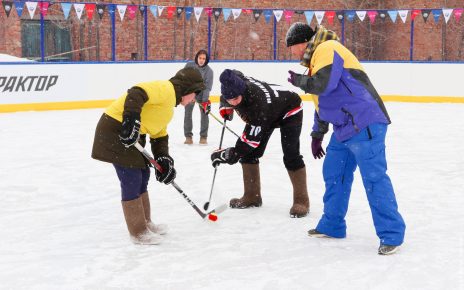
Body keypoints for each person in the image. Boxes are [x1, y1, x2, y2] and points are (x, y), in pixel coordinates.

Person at [286, 22, 406, 255]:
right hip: (344, 128)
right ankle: (333, 225)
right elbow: (322, 101)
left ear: (301, 43)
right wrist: (317, 133)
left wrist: (298, 81)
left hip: (365, 122)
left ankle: (392, 234)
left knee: (374, 179)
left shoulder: (327, 47)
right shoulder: (316, 61)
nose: (291, 53)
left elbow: (324, 85)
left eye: (291, 47)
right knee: (334, 173)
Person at [91, 67, 205, 245]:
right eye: (194, 94)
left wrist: (163, 159)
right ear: (187, 90)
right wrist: (131, 119)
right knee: (131, 177)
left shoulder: (168, 108)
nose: (194, 99)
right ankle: (138, 232)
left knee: (143, 174)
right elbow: (137, 93)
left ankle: (146, 222)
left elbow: (159, 134)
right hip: (116, 129)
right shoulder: (166, 89)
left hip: (133, 134)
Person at [210, 69, 310, 218]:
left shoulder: (256, 105)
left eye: (236, 98)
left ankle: (302, 201)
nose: (233, 102)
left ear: (242, 90)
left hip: (290, 108)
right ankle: (252, 196)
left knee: (291, 155)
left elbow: (248, 144)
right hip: (269, 111)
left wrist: (226, 155)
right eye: (229, 99)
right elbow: (233, 76)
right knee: (251, 155)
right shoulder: (236, 82)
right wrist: (224, 105)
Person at [183, 49, 214, 145]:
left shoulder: (209, 71)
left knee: (205, 115)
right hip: (189, 93)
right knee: (188, 115)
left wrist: (204, 102)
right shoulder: (189, 66)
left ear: (206, 60)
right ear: (197, 57)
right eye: (200, 58)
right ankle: (188, 137)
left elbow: (207, 87)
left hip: (202, 94)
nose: (201, 60)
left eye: (204, 59)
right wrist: (188, 94)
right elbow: (184, 79)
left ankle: (203, 137)